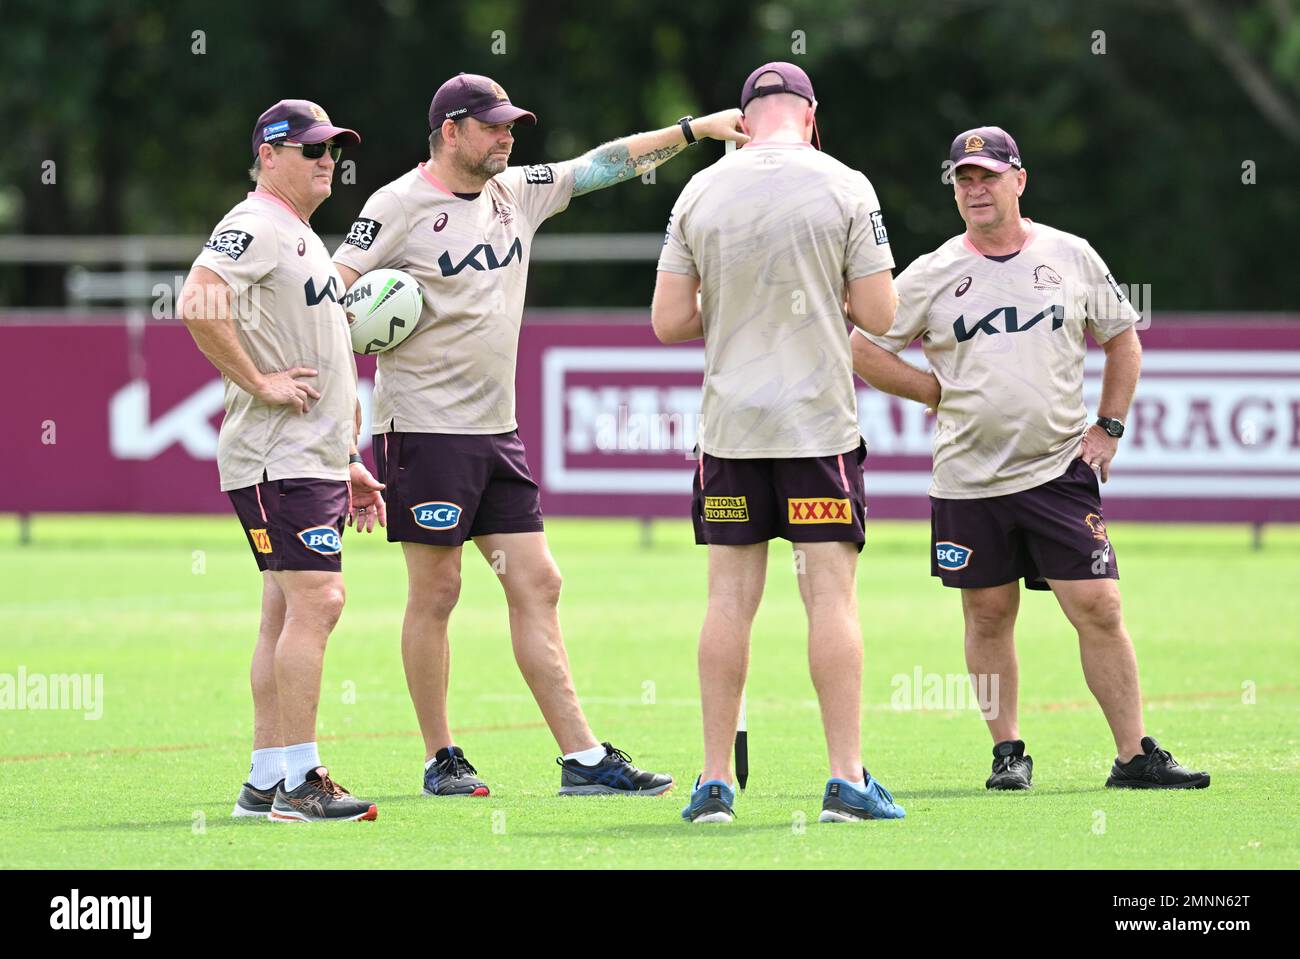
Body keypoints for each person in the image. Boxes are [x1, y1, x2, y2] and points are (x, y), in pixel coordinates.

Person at [333, 72, 745, 798]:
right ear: (451, 131)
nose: (508, 135)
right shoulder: (395, 205)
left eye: (511, 125)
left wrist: (692, 132)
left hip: (499, 430)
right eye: (493, 125)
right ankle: (442, 757)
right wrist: (346, 423)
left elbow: (605, 162)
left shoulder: (515, 190)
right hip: (425, 431)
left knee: (539, 581)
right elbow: (335, 300)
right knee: (439, 589)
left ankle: (582, 760)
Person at [851, 125, 1210, 791]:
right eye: (963, 178)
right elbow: (861, 343)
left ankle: (1134, 755)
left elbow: (1122, 339)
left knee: (1099, 604)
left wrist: (1108, 427)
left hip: (1056, 472)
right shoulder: (932, 271)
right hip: (968, 479)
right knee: (988, 614)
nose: (975, 188)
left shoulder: (1069, 255)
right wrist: (931, 390)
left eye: (988, 175)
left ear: (1019, 179)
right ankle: (1008, 751)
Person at [653, 62, 907, 824]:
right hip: (816, 427)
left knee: (728, 600)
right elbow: (882, 314)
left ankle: (713, 781)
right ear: (810, 113)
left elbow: (669, 320)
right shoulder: (845, 183)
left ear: (743, 116)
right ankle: (845, 778)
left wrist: (733, 303)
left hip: (731, 429)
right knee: (829, 598)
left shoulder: (699, 190)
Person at [181, 99, 387, 822]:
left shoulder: (296, 233)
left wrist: (347, 460)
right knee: (319, 601)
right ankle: (302, 780)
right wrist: (260, 383)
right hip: (278, 458)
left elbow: (321, 360)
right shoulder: (255, 223)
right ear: (268, 154)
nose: (326, 158)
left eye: (332, 147)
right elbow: (197, 301)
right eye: (310, 148)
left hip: (309, 458)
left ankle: (265, 779)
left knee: (283, 608)